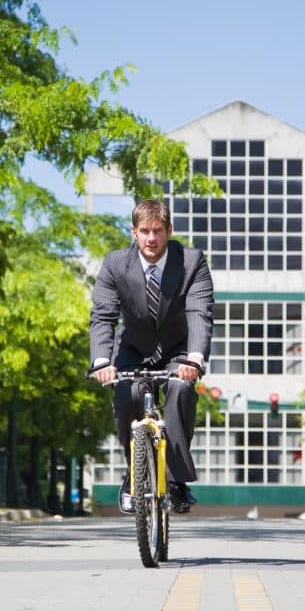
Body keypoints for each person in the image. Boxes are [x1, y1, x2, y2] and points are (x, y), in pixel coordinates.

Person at [90, 199, 214, 514]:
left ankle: (175, 481)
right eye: (144, 231)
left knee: (181, 392)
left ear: (169, 231)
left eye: (158, 231)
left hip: (178, 350)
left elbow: (200, 312)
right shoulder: (116, 263)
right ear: (133, 232)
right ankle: (134, 473)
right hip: (132, 347)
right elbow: (104, 316)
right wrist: (103, 362)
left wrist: (195, 358)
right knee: (127, 394)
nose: (151, 238)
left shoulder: (191, 261)